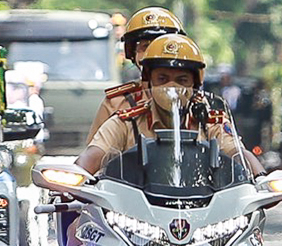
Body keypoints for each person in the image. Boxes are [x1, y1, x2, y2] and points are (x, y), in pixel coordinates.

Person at [77, 35, 259, 176]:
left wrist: (261, 177)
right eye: (162, 79)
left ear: (194, 85)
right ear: (149, 82)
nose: (172, 88)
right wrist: (76, 176)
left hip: (203, 214)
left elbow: (237, 152)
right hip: (130, 216)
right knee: (78, 225)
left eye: (182, 80)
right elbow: (92, 156)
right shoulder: (124, 122)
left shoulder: (211, 123)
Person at [86, 6, 185, 143]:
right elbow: (94, 157)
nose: (152, 54)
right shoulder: (116, 104)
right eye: (145, 47)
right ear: (132, 53)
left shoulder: (200, 106)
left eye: (161, 46)